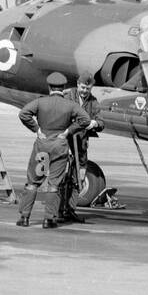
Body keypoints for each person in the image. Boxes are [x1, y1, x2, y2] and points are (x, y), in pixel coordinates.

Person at [16, 71, 92, 229]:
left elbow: (23, 113)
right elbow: (85, 119)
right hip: (59, 146)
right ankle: (49, 220)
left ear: (49, 87)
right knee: (54, 184)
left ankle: (24, 218)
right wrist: (68, 131)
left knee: (33, 182)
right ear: (63, 87)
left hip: (42, 146)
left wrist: (36, 129)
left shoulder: (40, 102)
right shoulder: (71, 105)